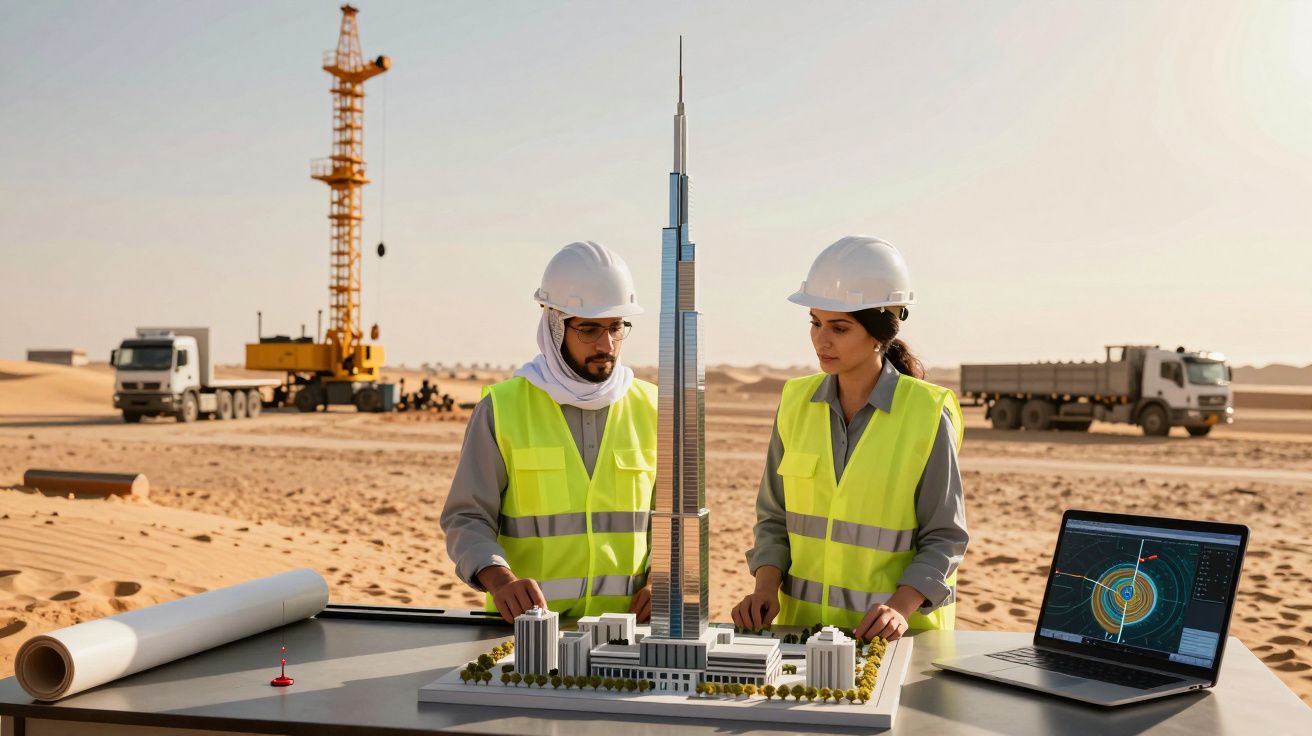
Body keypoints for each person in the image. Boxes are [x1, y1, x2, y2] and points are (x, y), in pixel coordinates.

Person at [731, 236, 968, 642]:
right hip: (803, 636)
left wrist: (901, 608)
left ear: (879, 332)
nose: (822, 340)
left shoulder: (927, 413)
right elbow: (774, 518)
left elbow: (945, 537)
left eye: (839, 328)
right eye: (815, 322)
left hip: (896, 641)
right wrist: (765, 588)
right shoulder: (795, 402)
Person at [441, 241, 657, 624]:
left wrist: (666, 581)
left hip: (629, 638)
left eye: (615, 328)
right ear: (555, 324)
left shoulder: (654, 409)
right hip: (525, 636)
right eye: (589, 329)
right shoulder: (503, 408)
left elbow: (677, 521)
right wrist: (499, 579)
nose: (606, 344)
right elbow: (467, 517)